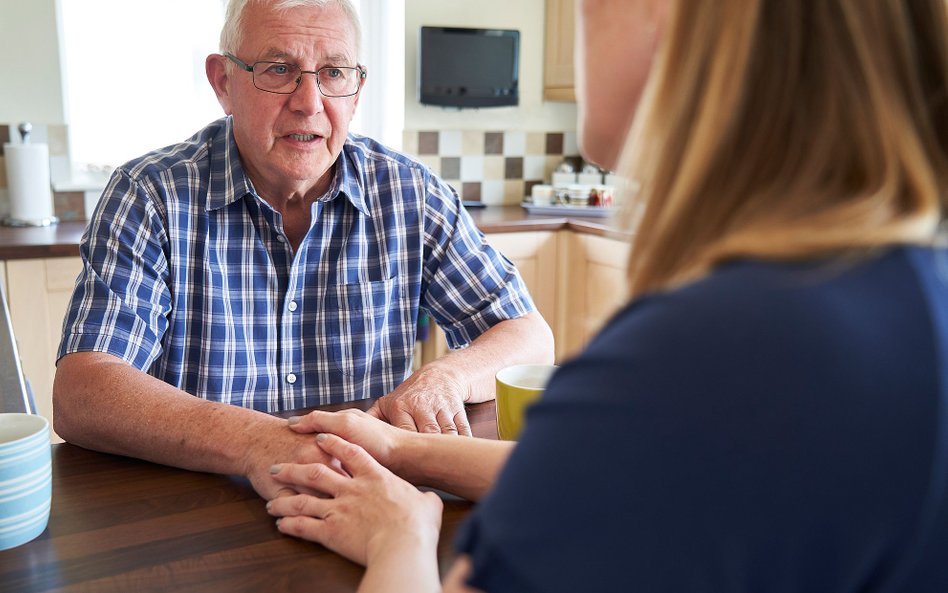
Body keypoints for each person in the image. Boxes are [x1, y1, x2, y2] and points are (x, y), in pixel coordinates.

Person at [263, 0, 948, 591]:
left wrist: (401, 534)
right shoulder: (905, 293)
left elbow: (599, 437)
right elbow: (618, 470)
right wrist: (401, 450)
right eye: (278, 70)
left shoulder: (705, 349)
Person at [52, 0, 553, 501]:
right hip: (197, 510)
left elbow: (528, 336)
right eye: (279, 70)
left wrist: (445, 377)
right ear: (223, 82)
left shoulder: (410, 193)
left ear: (356, 91)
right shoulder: (149, 194)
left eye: (333, 72)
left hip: (367, 501)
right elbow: (83, 393)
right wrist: (256, 442)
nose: (310, 102)